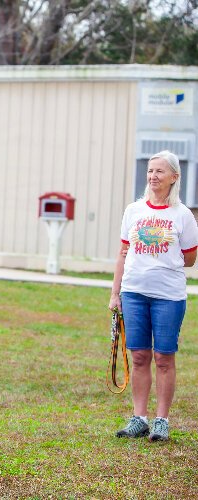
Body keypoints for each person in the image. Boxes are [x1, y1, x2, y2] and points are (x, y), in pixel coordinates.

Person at [109, 150, 198, 442]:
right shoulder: (133, 211)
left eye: (160, 171)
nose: (153, 176)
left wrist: (161, 259)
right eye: (150, 171)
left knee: (163, 357)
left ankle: (161, 420)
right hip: (133, 293)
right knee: (139, 356)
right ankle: (139, 419)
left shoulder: (182, 215)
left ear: (174, 177)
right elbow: (122, 254)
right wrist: (115, 293)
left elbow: (190, 259)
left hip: (168, 297)